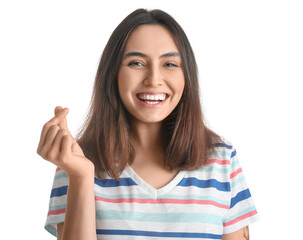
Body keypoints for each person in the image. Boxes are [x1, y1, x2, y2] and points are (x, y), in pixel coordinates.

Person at [37, 8, 259, 240]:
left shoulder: (222, 160)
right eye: (136, 63)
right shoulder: (75, 162)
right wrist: (81, 176)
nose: (153, 79)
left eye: (170, 64)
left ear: (187, 76)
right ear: (113, 74)